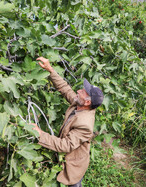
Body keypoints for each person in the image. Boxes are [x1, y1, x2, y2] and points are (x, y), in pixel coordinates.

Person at [31, 57, 104, 187]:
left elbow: (65, 145)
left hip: (74, 165)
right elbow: (66, 89)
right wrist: (50, 70)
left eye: (82, 91)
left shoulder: (85, 125)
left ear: (87, 102)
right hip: (67, 156)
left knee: (74, 184)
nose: (78, 91)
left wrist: (40, 134)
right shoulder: (80, 103)